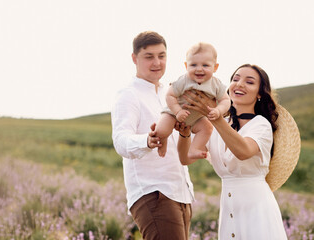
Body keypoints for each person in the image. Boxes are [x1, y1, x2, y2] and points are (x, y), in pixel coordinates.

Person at [177, 64, 288, 239]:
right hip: (229, 210)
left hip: (257, 209)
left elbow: (243, 151)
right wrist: (184, 135)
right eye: (235, 79)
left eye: (249, 82)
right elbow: (185, 158)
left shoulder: (261, 124)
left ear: (260, 93)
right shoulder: (218, 124)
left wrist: (215, 118)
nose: (239, 84)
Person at [111, 31, 195, 240]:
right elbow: (120, 140)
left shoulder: (172, 94)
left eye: (162, 55)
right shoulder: (128, 94)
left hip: (181, 193)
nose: (157, 62)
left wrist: (186, 134)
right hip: (154, 194)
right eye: (149, 56)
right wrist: (146, 141)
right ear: (134, 58)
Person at [155, 42, 230, 158]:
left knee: (207, 128)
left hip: (197, 118)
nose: (199, 69)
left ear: (215, 67)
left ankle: (194, 149)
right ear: (186, 66)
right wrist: (177, 111)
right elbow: (169, 95)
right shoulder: (184, 80)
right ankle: (163, 140)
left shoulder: (216, 84)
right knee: (160, 132)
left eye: (205, 65)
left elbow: (226, 100)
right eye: (193, 65)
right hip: (174, 113)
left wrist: (219, 110)